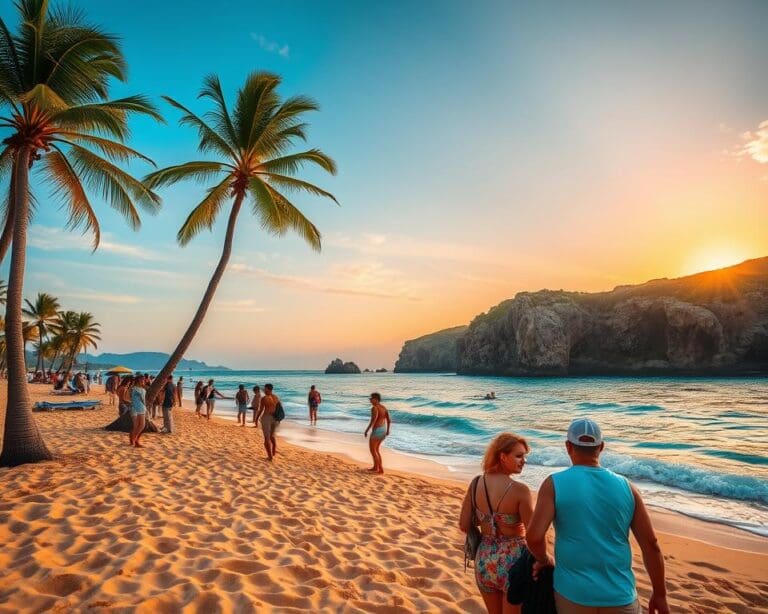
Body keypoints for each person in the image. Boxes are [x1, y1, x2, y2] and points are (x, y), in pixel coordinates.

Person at [527, 418, 669, 614]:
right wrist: (660, 594)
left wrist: (544, 559)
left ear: (568, 446)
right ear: (601, 447)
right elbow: (651, 545)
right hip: (619, 596)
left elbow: (534, 537)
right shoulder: (628, 488)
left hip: (572, 594)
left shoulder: (553, 484)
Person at [459, 433, 533, 614]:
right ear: (502, 456)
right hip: (513, 561)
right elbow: (533, 534)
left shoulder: (476, 483)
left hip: (484, 559)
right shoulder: (520, 491)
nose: (523, 461)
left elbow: (463, 524)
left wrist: (485, 522)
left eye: (524, 456)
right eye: (518, 456)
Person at [363, 392, 391, 474]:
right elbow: (389, 420)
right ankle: (376, 467)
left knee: (373, 451)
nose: (370, 400)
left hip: (377, 430)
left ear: (375, 399)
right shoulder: (384, 407)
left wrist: (367, 430)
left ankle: (380, 469)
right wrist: (388, 430)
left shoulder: (374, 408)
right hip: (383, 430)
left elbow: (373, 421)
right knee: (377, 450)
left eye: (371, 399)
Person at [255, 383, 280, 460]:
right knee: (272, 436)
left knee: (266, 438)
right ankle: (274, 448)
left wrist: (256, 419)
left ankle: (270, 457)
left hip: (266, 418)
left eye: (265, 389)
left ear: (268, 389)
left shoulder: (264, 398)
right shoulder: (276, 397)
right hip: (275, 419)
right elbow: (279, 409)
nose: (264, 390)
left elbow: (261, 410)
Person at [129, 377, 147, 448]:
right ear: (138, 381)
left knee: (137, 426)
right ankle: (136, 440)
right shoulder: (138, 389)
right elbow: (143, 401)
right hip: (139, 408)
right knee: (142, 425)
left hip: (135, 408)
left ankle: (133, 440)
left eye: (144, 380)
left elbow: (130, 398)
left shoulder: (133, 389)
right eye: (142, 380)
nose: (143, 381)